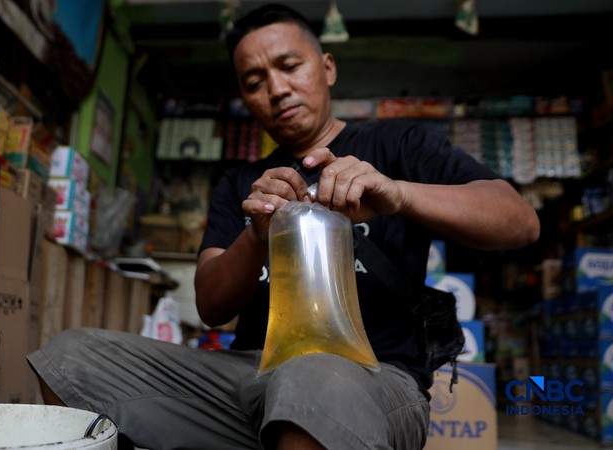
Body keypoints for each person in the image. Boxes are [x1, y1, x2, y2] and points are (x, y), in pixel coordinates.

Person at [27, 3, 540, 449]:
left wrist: (398, 194)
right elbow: (211, 305)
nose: (276, 88)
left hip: (376, 379)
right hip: (251, 373)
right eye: (254, 81)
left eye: (289, 66)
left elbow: (519, 222)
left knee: (312, 375)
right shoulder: (242, 184)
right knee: (71, 361)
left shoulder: (400, 147)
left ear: (327, 67)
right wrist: (256, 234)